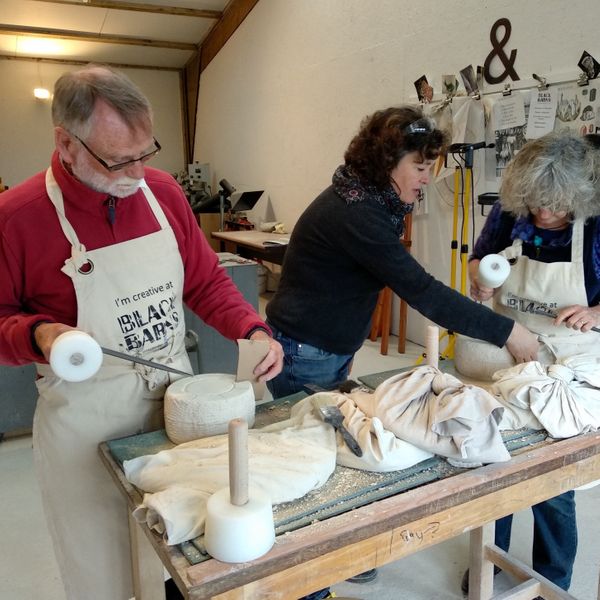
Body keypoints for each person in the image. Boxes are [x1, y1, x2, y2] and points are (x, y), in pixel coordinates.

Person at [0, 64, 283, 600]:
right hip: (85, 420)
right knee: (105, 563)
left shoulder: (162, 193)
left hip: (177, 405)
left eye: (146, 153)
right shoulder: (17, 218)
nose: (137, 173)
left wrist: (252, 328)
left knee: (190, 553)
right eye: (119, 160)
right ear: (66, 142)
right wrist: (39, 334)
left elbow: (203, 281)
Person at [264, 105, 539, 600]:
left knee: (339, 452)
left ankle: (328, 563)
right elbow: (423, 291)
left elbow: (408, 278)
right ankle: (306, 585)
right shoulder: (357, 213)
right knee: (314, 469)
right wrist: (508, 332)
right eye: (419, 165)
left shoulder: (369, 197)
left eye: (432, 165)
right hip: (306, 349)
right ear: (386, 160)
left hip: (328, 344)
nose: (428, 178)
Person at [463, 130, 600, 593]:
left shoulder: (598, 222)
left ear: (579, 197)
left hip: (573, 351)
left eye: (555, 207)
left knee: (550, 472)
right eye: (535, 204)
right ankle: (489, 561)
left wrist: (596, 310)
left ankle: (553, 578)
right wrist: (481, 283)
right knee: (492, 457)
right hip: (513, 337)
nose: (542, 214)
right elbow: (480, 258)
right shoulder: (512, 208)